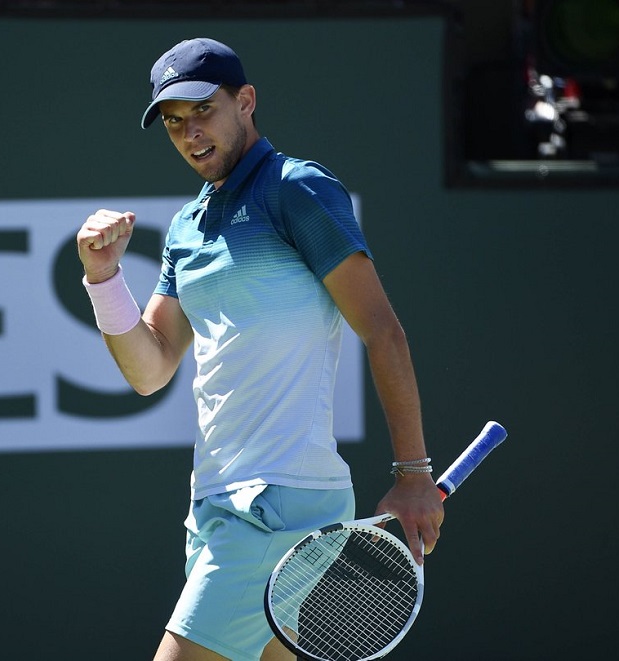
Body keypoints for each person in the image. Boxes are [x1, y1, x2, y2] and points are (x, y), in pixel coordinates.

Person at [76, 37, 444, 661]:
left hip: (278, 502)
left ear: (245, 101)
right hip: (219, 501)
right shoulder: (189, 226)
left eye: (203, 111)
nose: (190, 133)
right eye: (173, 122)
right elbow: (151, 366)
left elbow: (382, 330)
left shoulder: (296, 189)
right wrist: (104, 278)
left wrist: (412, 475)